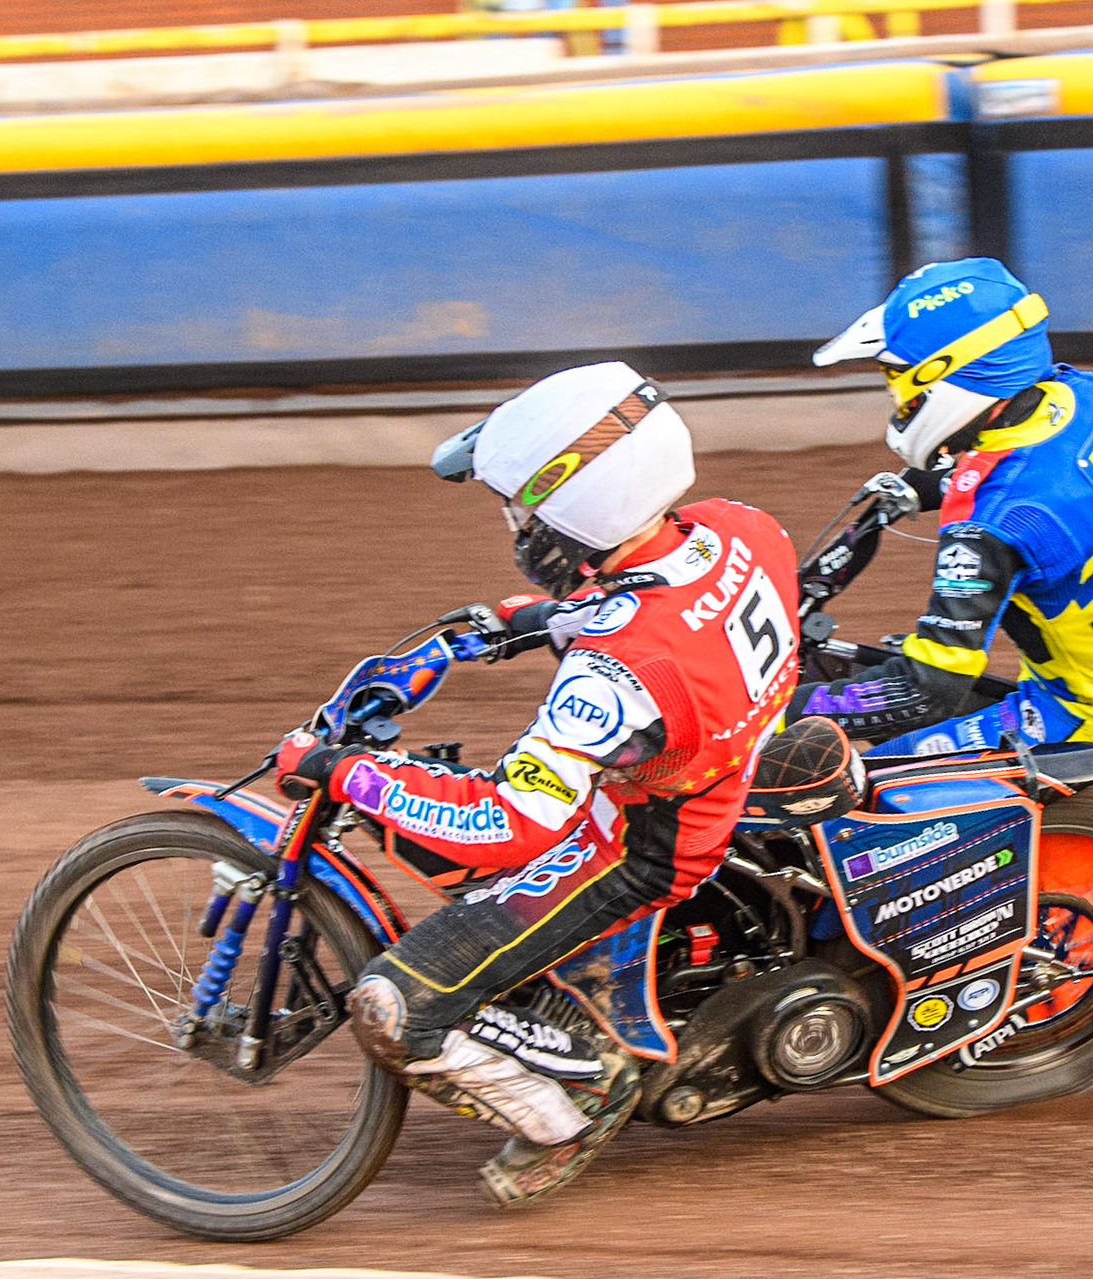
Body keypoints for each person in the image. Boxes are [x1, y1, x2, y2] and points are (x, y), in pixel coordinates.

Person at [272, 361, 801, 1206]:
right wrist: (519, 621)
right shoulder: (739, 529)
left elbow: (507, 825)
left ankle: (576, 1102)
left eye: (521, 507)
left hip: (637, 846)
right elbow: (661, 603)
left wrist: (349, 772)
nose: (516, 526)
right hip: (725, 760)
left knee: (392, 1008)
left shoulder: (608, 677)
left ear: (578, 505)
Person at [787, 257, 1093, 759]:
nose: (894, 394)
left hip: (1084, 712)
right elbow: (1043, 471)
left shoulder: (992, 523)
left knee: (847, 792)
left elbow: (928, 687)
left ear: (948, 374)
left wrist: (784, 713)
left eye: (897, 377)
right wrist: (919, 489)